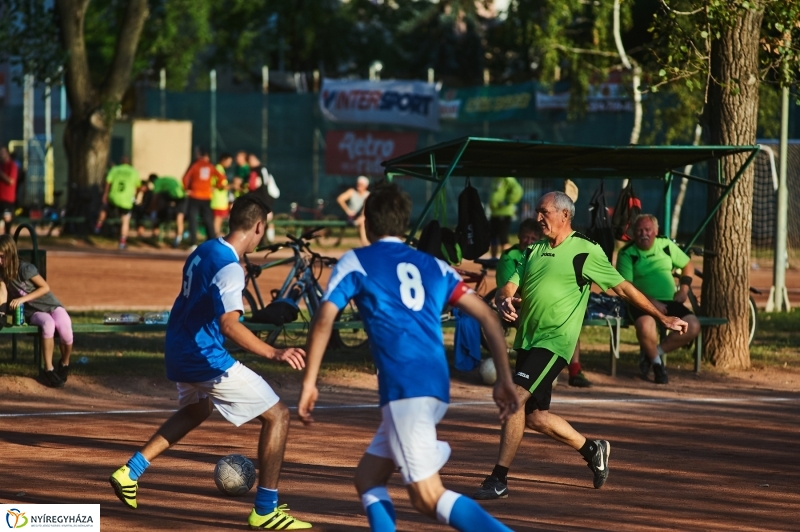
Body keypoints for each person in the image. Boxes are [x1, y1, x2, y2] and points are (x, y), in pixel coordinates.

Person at [298, 183, 520, 532]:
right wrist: (504, 380)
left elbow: (324, 318)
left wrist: (310, 383)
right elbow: (489, 318)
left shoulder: (356, 261)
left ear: (368, 224)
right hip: (433, 384)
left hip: (406, 388)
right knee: (368, 479)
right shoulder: (434, 265)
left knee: (427, 497)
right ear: (404, 224)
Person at [108, 195, 312, 530]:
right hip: (204, 357)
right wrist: (274, 352)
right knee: (278, 416)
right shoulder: (230, 267)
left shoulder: (205, 249)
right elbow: (229, 325)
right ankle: (265, 509)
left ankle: (130, 472)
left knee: (197, 410)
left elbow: (203, 294)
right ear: (259, 226)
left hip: (177, 349)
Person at [473, 191, 688, 500]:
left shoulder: (585, 251)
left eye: (544, 212)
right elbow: (509, 283)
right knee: (534, 416)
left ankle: (498, 478)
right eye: (538, 212)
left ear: (564, 215)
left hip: (554, 341)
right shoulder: (534, 250)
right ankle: (593, 450)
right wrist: (504, 296)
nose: (538, 218)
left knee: (514, 400)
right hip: (528, 340)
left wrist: (662, 316)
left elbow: (623, 288)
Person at [496, 218, 592, 388]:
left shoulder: (543, 253)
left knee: (567, 323)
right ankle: (529, 366)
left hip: (544, 306)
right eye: (526, 237)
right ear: (518, 237)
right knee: (525, 318)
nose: (529, 241)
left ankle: (575, 371)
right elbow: (508, 289)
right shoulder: (509, 256)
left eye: (533, 238)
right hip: (515, 307)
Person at [616, 214, 701, 384]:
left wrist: (684, 289)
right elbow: (626, 285)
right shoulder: (626, 253)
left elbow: (687, 264)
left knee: (693, 326)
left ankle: (653, 353)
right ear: (633, 232)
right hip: (640, 302)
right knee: (646, 324)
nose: (643, 234)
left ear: (655, 231)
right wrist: (653, 302)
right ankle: (657, 366)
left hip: (670, 301)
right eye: (639, 230)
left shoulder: (665, 245)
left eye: (647, 230)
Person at [0, 235, 73, 388]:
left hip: (51, 305)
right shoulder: (1, 272)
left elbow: (45, 287)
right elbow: (3, 293)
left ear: (10, 253)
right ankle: (48, 368)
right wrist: (2, 313)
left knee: (65, 327)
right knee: (48, 324)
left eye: (1, 257)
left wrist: (22, 299)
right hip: (32, 312)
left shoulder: (25, 269)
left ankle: (65, 363)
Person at [94, 156, 142, 250]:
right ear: (129, 163)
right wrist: (136, 196)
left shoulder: (115, 169)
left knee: (105, 208)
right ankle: (122, 242)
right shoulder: (133, 171)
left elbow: (108, 182)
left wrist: (105, 194)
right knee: (125, 220)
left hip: (114, 196)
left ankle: (98, 226)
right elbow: (138, 186)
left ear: (121, 162)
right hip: (126, 200)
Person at [182, 147, 226, 249]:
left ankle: (193, 243)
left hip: (194, 196)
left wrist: (187, 189)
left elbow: (185, 178)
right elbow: (222, 178)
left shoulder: (195, 165)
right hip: (206, 196)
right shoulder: (210, 166)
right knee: (208, 219)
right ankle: (211, 241)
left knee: (193, 219)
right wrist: (216, 187)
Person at [247, 154, 279, 243]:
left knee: (267, 219)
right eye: (249, 160)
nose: (251, 161)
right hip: (257, 200)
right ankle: (261, 241)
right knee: (258, 221)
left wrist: (267, 199)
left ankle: (268, 240)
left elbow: (264, 185)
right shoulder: (251, 171)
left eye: (252, 159)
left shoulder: (262, 169)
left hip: (264, 200)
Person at [148, 174, 187, 247]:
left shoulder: (157, 182)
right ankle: (178, 239)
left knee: (163, 216)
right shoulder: (166, 180)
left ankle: (157, 234)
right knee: (179, 219)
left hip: (176, 199)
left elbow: (155, 197)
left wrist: (152, 210)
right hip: (183, 198)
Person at [488, 177, 523, 258]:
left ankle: (507, 260)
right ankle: (493, 259)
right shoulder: (496, 178)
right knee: (493, 238)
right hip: (494, 213)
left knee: (503, 239)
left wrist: (507, 201)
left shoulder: (508, 178)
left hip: (504, 213)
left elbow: (518, 190)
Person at [336, 175, 370, 247]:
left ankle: (366, 244)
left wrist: (362, 215)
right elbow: (340, 199)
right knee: (362, 222)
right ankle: (365, 244)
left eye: (361, 184)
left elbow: (366, 208)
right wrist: (348, 210)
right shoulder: (351, 192)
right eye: (358, 183)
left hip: (362, 217)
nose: (358, 185)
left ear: (366, 186)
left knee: (362, 220)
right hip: (350, 217)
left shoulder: (368, 195)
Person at [212, 153, 233, 238]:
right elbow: (221, 185)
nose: (229, 164)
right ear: (223, 160)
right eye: (228, 161)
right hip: (217, 199)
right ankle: (215, 235)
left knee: (219, 218)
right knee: (218, 218)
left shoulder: (220, 169)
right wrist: (233, 185)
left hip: (220, 199)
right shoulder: (218, 170)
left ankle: (216, 234)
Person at [0, 147, 18, 235]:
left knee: (7, 219)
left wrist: (1, 174)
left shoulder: (12, 165)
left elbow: (11, 181)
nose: (1, 155)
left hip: (7, 199)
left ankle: (8, 240)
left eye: (3, 152)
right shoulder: (1, 165)